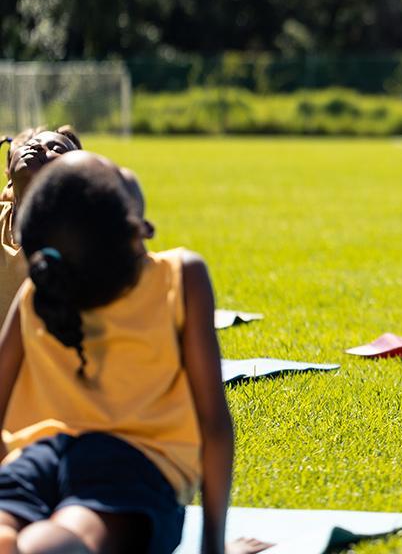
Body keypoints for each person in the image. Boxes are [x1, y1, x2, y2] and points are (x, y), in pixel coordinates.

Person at [0, 152, 243, 554]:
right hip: (133, 466)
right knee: (80, 531)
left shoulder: (39, 293)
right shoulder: (182, 276)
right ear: (138, 230)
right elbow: (213, 424)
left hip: (38, 456)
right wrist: (213, 544)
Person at [1, 128, 82, 317]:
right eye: (29, 144)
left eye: (55, 148)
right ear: (9, 182)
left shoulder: (76, 239)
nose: (37, 146)